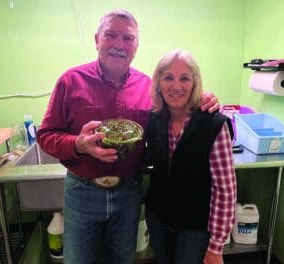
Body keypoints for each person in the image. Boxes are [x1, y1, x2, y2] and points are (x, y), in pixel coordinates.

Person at [36, 10, 220, 264]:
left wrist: (203, 101)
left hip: (128, 192)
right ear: (97, 39)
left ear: (136, 46)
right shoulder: (71, 81)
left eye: (128, 38)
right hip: (82, 191)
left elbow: (177, 112)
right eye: (111, 35)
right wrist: (78, 144)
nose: (119, 45)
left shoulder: (149, 88)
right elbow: (45, 135)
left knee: (123, 260)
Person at [145, 49, 237, 264]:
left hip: (195, 227)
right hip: (158, 219)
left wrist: (216, 247)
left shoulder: (213, 124)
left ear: (195, 83)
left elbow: (225, 190)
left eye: (184, 78)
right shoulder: (155, 119)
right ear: (158, 83)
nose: (176, 86)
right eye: (168, 77)